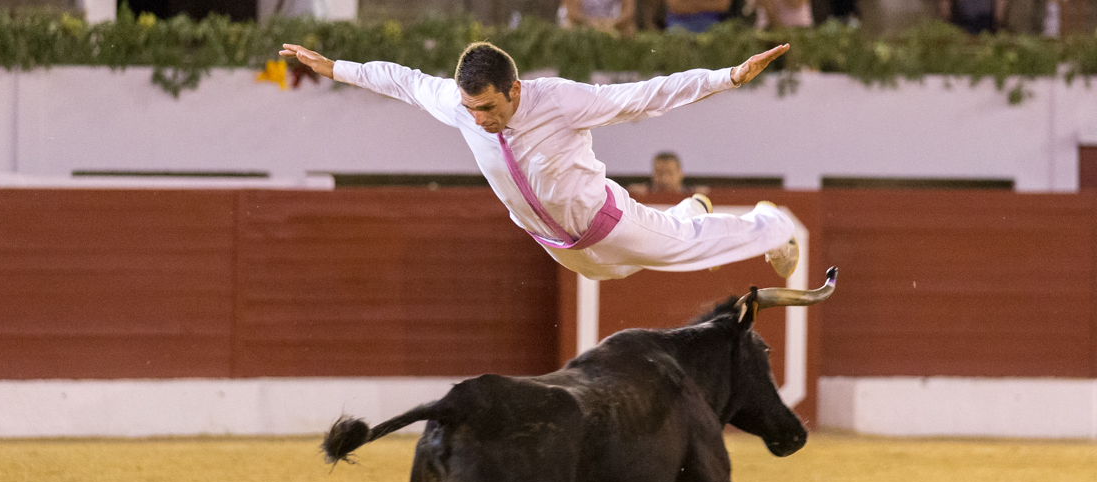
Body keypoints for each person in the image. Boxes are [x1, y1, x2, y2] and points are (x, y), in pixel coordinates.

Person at [279, 40, 799, 282]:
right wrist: (335, 67)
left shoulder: (559, 99)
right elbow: (401, 80)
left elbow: (644, 95)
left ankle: (772, 227)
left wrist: (726, 77)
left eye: (487, 107)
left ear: (515, 90)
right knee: (615, 276)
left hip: (605, 220)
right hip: (557, 244)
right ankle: (693, 209)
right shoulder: (459, 105)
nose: (478, 119)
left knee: (681, 251)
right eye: (469, 107)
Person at [559, 0, 639, 37]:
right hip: (582, 23)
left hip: (610, 23)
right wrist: (591, 23)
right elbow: (573, 14)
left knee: (629, 29)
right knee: (569, 28)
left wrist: (612, 24)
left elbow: (629, 13)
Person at [664, 0, 732, 33]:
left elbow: (723, 5)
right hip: (679, 27)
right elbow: (676, 6)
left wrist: (689, 3)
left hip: (714, 27)